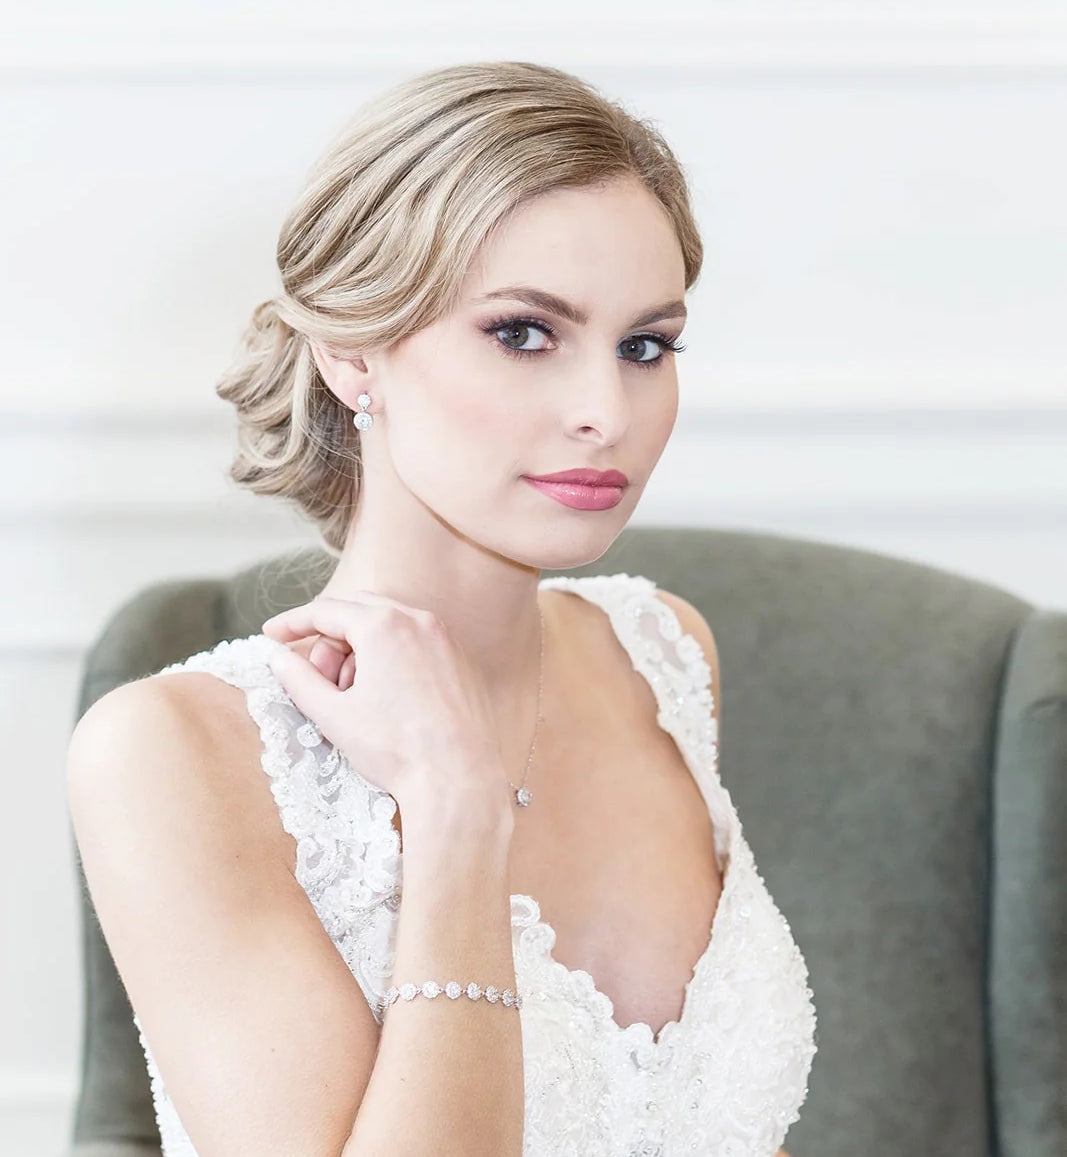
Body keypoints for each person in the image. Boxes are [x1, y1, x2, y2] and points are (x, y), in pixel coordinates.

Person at [67, 59, 816, 1157]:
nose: (604, 412)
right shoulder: (171, 754)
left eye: (644, 346)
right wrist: (456, 814)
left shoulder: (663, 654)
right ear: (350, 350)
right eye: (523, 333)